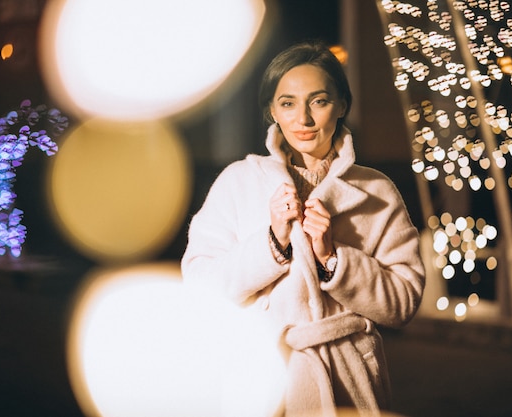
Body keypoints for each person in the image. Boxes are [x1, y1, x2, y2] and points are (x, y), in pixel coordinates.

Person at [181, 41, 425, 417]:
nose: (304, 120)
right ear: (272, 111)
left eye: (319, 101)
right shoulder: (238, 182)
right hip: (259, 376)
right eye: (288, 103)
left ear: (342, 105)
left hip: (348, 376)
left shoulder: (376, 192)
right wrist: (272, 244)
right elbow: (199, 286)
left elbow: (403, 303)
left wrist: (334, 259)